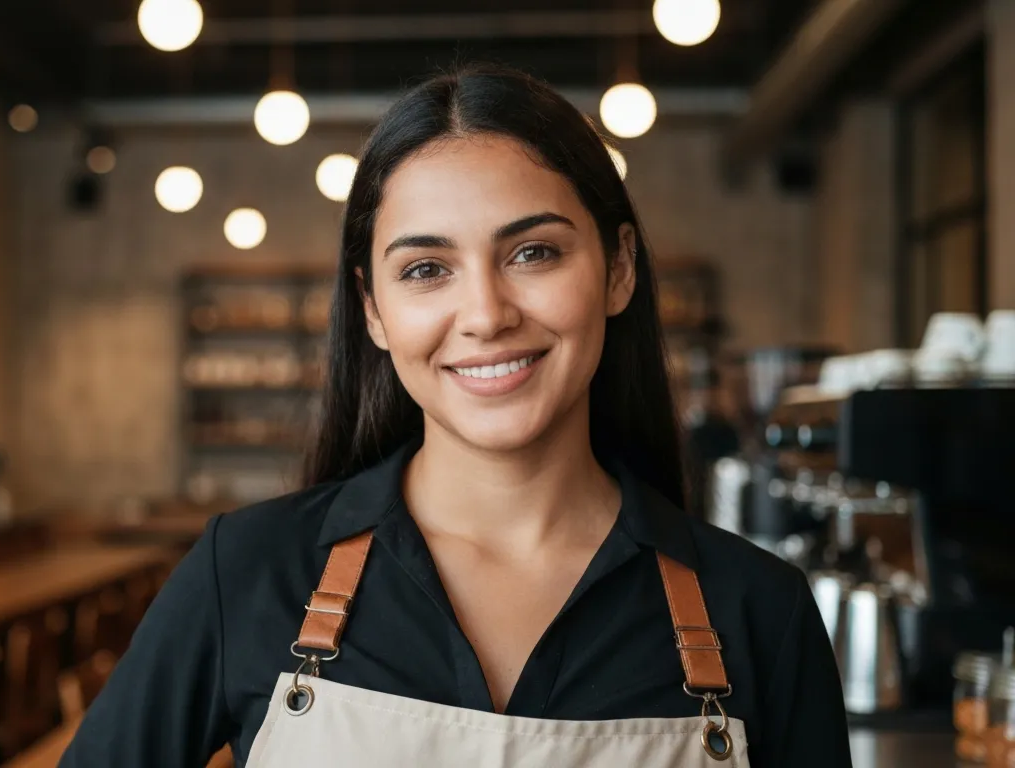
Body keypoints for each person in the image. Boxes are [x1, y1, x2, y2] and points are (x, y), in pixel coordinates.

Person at [61, 64, 851, 768]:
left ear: (618, 270)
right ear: (373, 311)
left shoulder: (758, 612)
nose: (484, 314)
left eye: (533, 252)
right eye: (426, 269)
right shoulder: (247, 573)